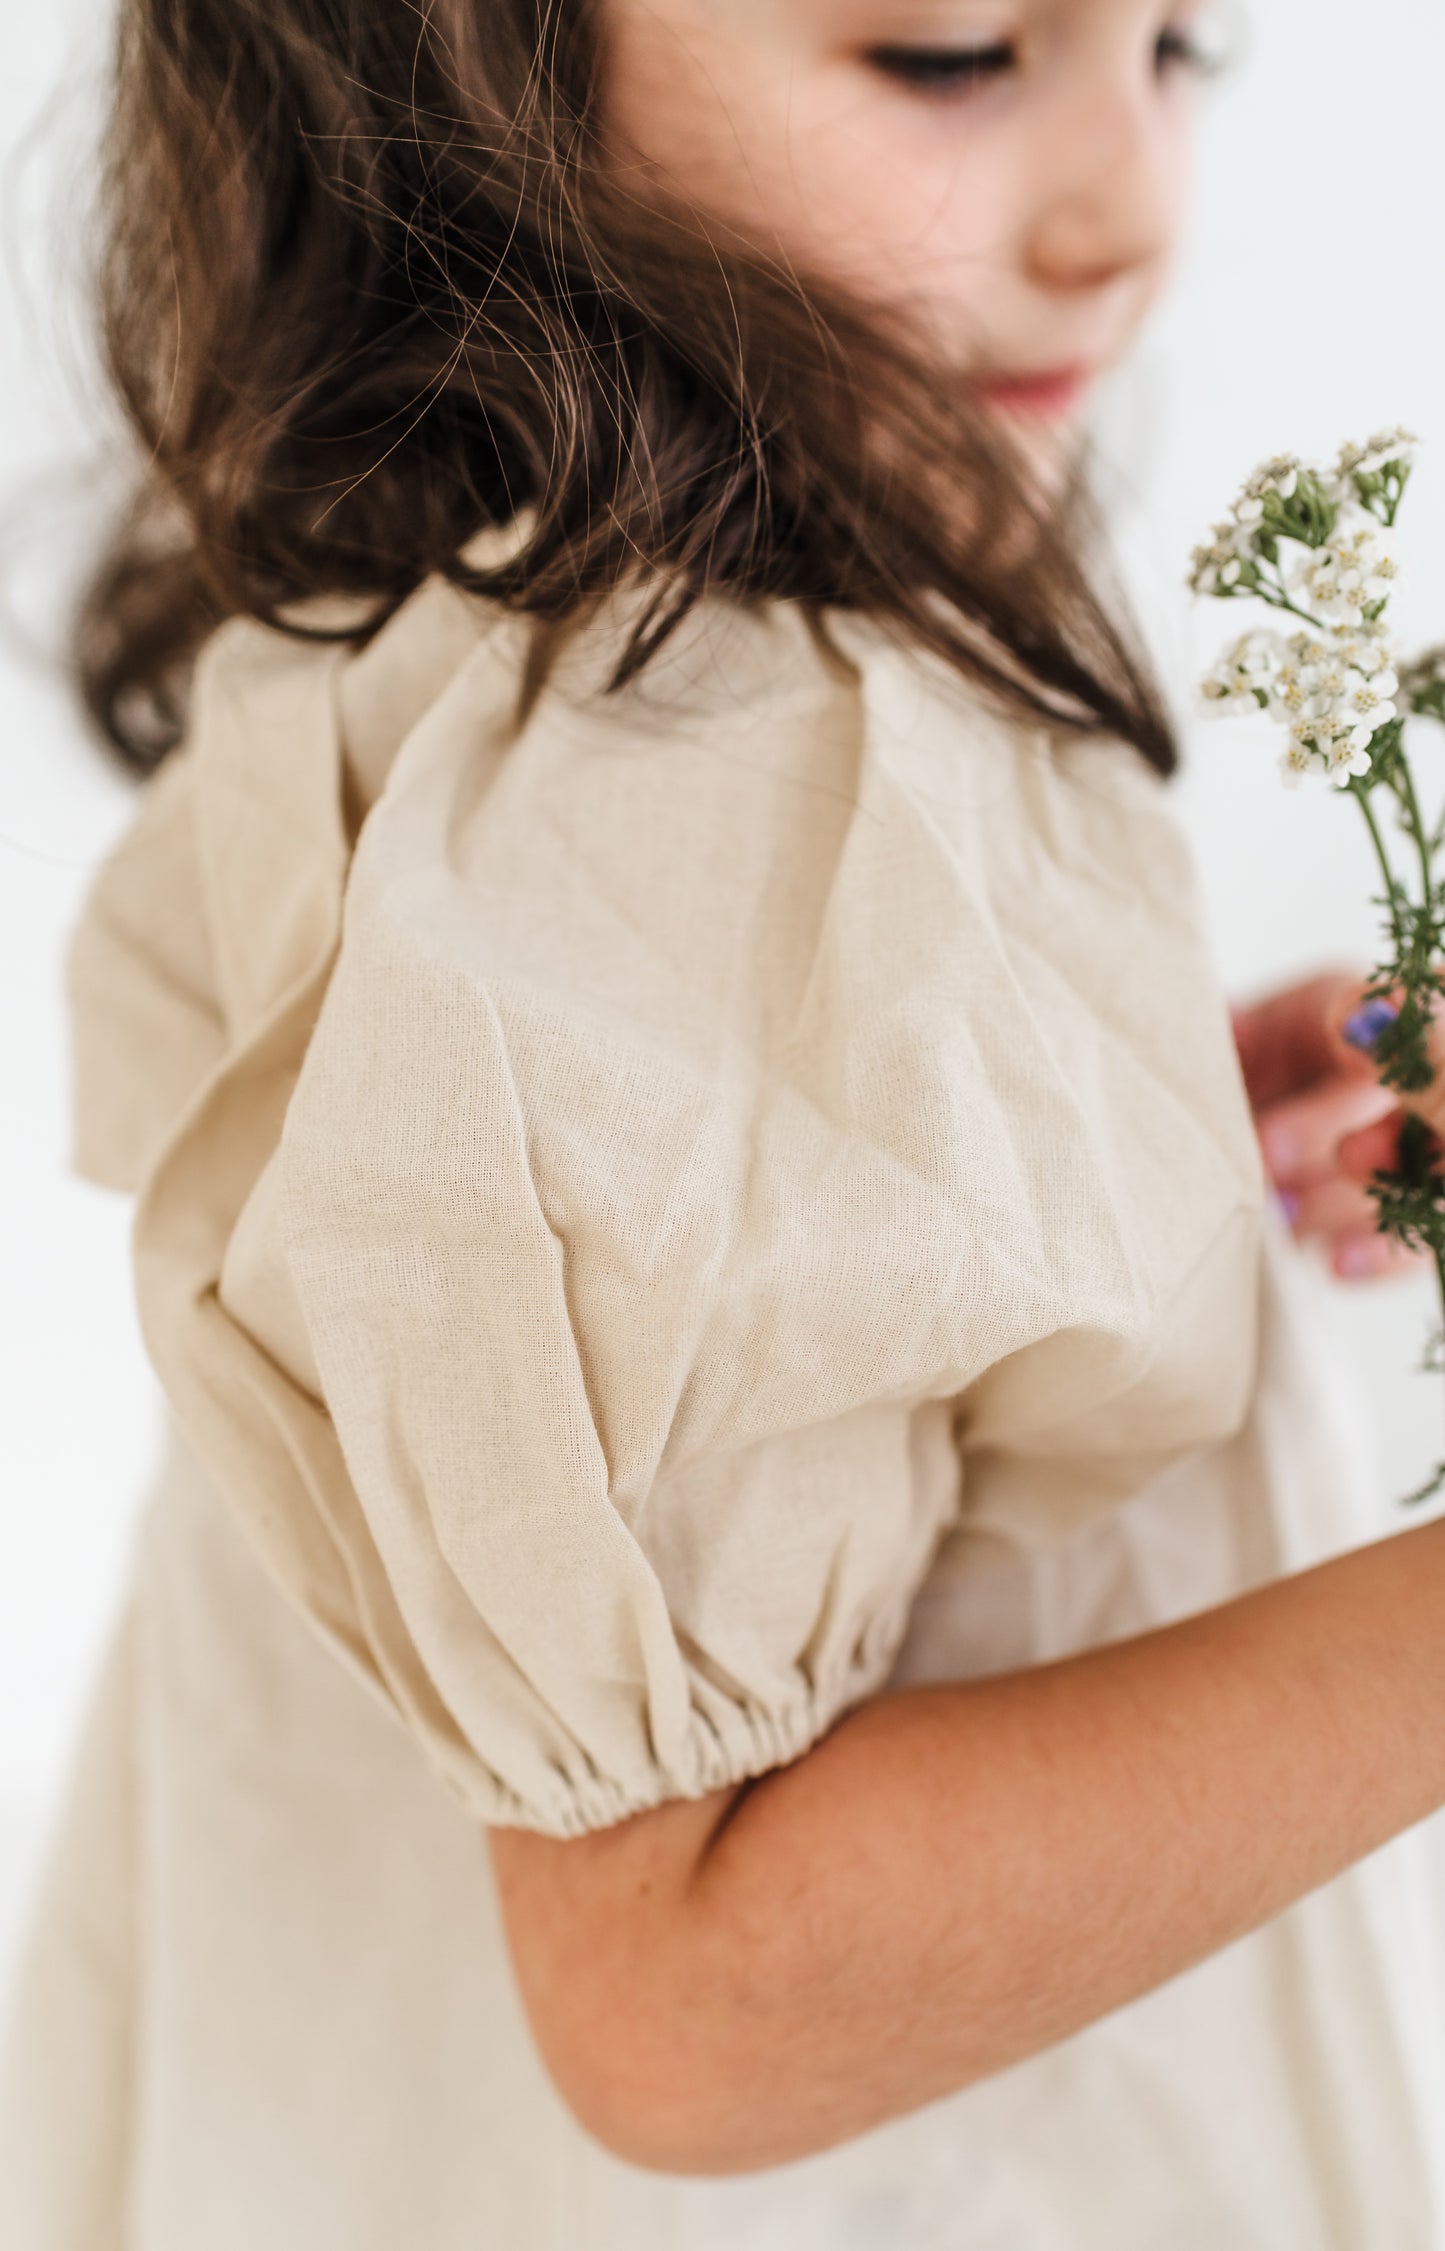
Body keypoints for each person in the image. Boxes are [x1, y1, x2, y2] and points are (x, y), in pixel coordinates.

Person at [5, 0, 1445, 2242]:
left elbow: (670, 1262)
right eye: (953, 50)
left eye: (1183, 38)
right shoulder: (671, 760)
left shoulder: (557, 655)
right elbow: (685, 1993)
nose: (1133, 209)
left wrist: (1115, 1104)